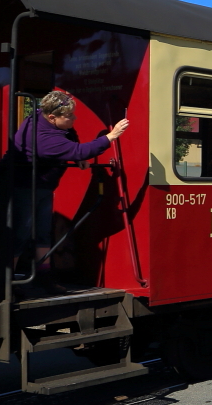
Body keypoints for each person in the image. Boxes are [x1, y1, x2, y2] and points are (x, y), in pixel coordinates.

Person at [10, 90, 130, 291]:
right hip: (26, 188)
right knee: (20, 233)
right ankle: (7, 282)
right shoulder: (43, 138)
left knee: (42, 233)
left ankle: (43, 277)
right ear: (52, 117)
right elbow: (80, 150)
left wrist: (76, 158)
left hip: (42, 187)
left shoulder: (40, 117)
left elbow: (70, 136)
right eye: (69, 116)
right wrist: (111, 136)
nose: (74, 118)